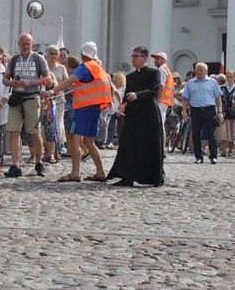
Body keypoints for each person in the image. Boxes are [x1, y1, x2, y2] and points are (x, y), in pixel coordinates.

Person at [42, 42, 110, 183]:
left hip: (83, 109)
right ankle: (100, 172)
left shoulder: (85, 67)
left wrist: (52, 91)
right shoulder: (98, 68)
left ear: (82, 54)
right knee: (89, 142)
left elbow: (69, 81)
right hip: (95, 108)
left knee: (75, 139)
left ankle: (75, 173)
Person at [105, 46, 163, 186]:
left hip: (148, 114)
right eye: (132, 56)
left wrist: (138, 95)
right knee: (128, 143)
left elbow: (154, 90)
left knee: (149, 144)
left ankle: (152, 177)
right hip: (133, 114)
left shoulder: (154, 73)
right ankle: (126, 177)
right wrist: (123, 104)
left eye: (136, 56)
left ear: (145, 58)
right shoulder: (130, 76)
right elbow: (127, 94)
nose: (133, 59)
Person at [3, 33, 50, 178]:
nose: (25, 46)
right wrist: (13, 83)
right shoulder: (14, 59)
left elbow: (47, 79)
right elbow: (5, 79)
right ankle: (15, 165)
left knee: (34, 132)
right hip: (16, 98)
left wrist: (31, 83)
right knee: (14, 131)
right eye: (22, 43)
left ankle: (39, 161)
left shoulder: (38, 59)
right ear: (18, 44)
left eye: (27, 44)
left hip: (31, 98)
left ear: (32, 44)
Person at [181, 62, 223, 164]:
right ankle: (198, 157)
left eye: (201, 70)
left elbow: (218, 97)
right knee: (196, 134)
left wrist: (220, 111)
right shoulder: (190, 83)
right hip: (195, 110)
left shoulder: (212, 82)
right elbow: (186, 98)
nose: (199, 72)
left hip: (209, 110)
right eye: (198, 70)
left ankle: (213, 156)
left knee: (211, 134)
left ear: (206, 71)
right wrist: (184, 111)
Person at [43, 44, 67, 162]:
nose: (53, 56)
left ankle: (56, 152)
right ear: (47, 55)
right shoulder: (43, 67)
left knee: (57, 126)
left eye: (55, 53)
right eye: (51, 53)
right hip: (44, 100)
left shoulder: (61, 68)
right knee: (45, 126)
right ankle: (46, 151)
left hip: (58, 100)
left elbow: (67, 82)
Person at [150, 51, 174, 143]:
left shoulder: (161, 70)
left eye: (158, 58)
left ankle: (161, 148)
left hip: (161, 101)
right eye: (155, 58)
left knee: (159, 125)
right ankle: (160, 148)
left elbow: (161, 86)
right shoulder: (166, 69)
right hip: (165, 101)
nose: (155, 60)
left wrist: (157, 99)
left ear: (164, 60)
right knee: (160, 124)